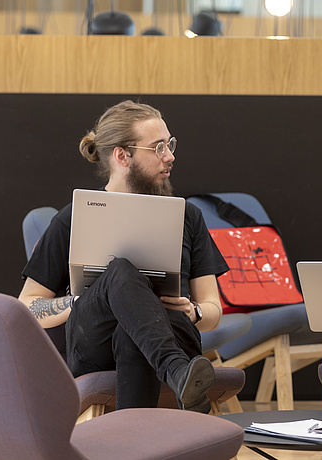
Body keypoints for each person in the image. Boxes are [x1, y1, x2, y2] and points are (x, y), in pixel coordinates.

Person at [18, 100, 228, 414]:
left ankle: (136, 437)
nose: (169, 156)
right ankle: (177, 372)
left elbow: (213, 310)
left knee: (132, 332)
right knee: (120, 270)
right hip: (95, 345)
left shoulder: (188, 217)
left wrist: (195, 310)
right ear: (122, 155)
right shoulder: (73, 217)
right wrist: (78, 301)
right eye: (158, 147)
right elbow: (27, 304)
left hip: (171, 329)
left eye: (169, 144)